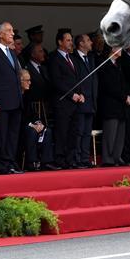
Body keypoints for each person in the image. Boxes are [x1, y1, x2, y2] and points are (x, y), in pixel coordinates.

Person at [0, 22, 24, 175]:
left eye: (12, 31)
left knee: (13, 135)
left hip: (15, 100)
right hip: (0, 102)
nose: (12, 34)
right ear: (0, 34)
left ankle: (10, 162)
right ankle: (1, 164)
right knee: (1, 134)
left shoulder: (12, 53)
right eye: (8, 31)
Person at [48, 29, 80, 170]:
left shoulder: (72, 58)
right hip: (62, 102)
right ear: (60, 42)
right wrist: (71, 94)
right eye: (67, 40)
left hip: (75, 102)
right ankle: (60, 159)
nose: (70, 42)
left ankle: (71, 159)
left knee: (73, 131)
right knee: (62, 132)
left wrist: (80, 92)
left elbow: (77, 79)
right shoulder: (54, 57)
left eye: (71, 40)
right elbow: (56, 81)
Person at [98, 47, 130, 167]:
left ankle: (117, 157)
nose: (121, 49)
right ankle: (108, 159)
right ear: (112, 49)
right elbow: (109, 86)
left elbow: (124, 83)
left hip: (121, 105)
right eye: (118, 47)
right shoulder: (104, 65)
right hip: (110, 105)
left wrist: (128, 94)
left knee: (120, 133)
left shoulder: (118, 65)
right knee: (110, 133)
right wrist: (124, 96)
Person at [18, 69, 54, 171]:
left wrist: (38, 122)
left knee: (47, 131)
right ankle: (32, 162)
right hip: (20, 128)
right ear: (20, 80)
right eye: (27, 80)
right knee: (32, 131)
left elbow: (33, 114)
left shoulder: (27, 95)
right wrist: (32, 125)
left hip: (30, 125)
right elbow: (19, 117)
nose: (30, 82)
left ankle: (46, 162)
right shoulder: (15, 95)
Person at [71, 33, 97, 168]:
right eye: (88, 40)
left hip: (90, 101)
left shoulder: (91, 58)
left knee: (87, 132)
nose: (91, 42)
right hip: (81, 100)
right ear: (81, 43)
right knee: (79, 132)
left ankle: (85, 158)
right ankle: (77, 158)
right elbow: (75, 79)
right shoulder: (74, 58)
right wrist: (79, 93)